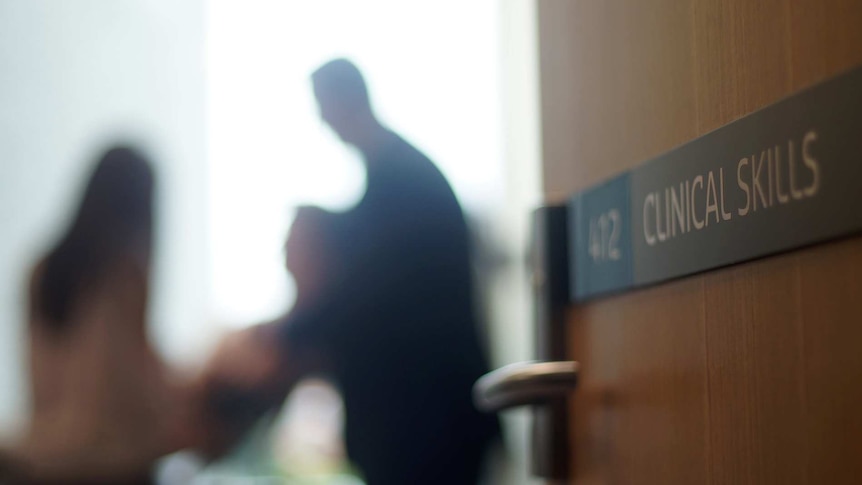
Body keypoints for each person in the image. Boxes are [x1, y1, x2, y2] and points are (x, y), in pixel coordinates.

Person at [198, 59, 500, 484]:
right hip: (423, 420)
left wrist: (281, 333)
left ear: (347, 100)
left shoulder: (401, 182)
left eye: (324, 108)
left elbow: (366, 294)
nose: (323, 123)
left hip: (428, 421)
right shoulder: (394, 180)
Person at [7, 146, 187, 483]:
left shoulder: (42, 268)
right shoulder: (124, 273)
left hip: (40, 453)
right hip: (108, 461)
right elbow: (136, 383)